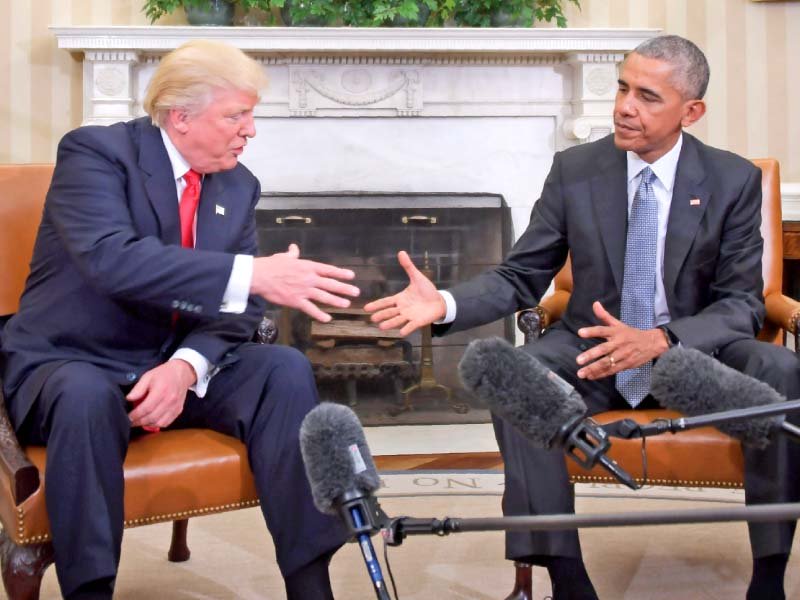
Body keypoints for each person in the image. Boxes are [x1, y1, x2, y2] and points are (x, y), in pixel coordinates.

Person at [365, 35, 800, 599]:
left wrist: (662, 339)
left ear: (691, 112)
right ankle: (568, 579)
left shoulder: (731, 179)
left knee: (782, 373)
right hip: (590, 349)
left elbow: (741, 302)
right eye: (622, 88)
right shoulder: (577, 170)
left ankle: (768, 577)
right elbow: (521, 274)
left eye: (647, 96)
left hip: (698, 356)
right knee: (515, 375)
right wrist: (444, 303)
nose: (624, 106)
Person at [0, 40, 360, 600]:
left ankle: (311, 585)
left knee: (282, 369)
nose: (251, 131)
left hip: (165, 365)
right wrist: (253, 274)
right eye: (237, 115)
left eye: (251, 114)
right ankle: (89, 590)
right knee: (85, 394)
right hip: (71, 360)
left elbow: (238, 311)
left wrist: (186, 370)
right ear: (180, 116)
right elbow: (112, 260)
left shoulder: (237, 185)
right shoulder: (95, 154)